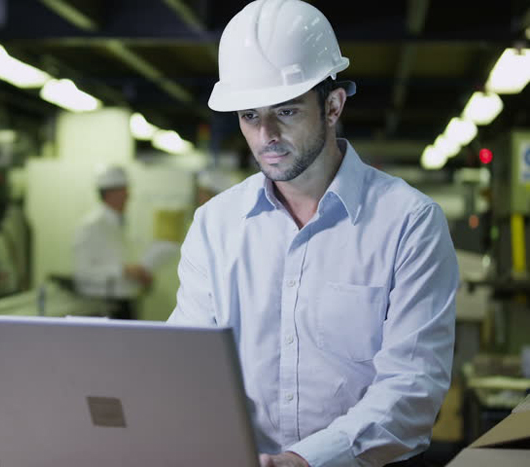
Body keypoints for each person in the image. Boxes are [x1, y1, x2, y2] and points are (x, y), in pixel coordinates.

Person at [167, 1, 459, 466]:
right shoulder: (215, 225)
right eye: (248, 116)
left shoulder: (409, 223)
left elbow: (412, 387)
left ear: (333, 106)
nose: (265, 135)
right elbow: (184, 366)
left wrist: (305, 461)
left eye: (285, 111)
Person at [73, 165, 152, 320]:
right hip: (103, 309)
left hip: (127, 305)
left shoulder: (122, 224)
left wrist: (140, 276)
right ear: (110, 193)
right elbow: (82, 274)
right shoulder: (91, 226)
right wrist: (123, 271)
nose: (129, 195)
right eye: (124, 190)